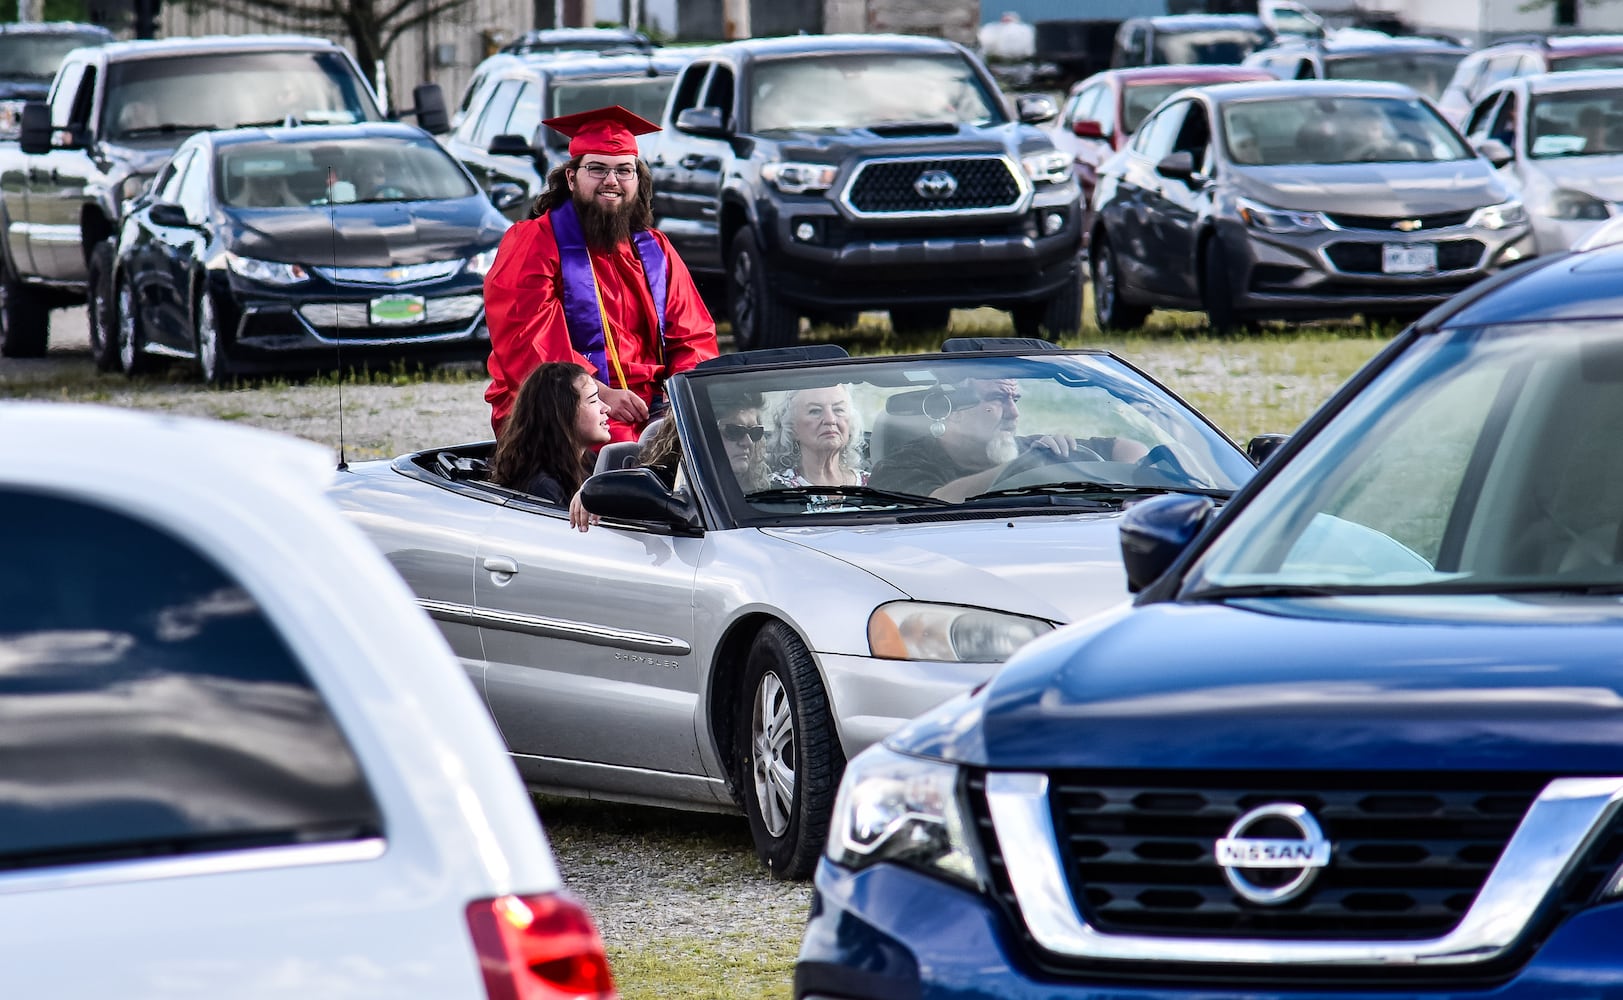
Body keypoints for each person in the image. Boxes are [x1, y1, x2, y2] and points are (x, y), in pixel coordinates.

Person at [483, 105, 719, 443]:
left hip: (654, 406)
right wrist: (599, 393)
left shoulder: (656, 249)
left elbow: (694, 338)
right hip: (567, 404)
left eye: (624, 170)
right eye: (597, 169)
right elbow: (529, 345)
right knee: (627, 462)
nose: (611, 181)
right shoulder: (535, 241)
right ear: (571, 177)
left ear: (638, 179)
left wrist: (681, 401)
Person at [869, 377, 1145, 502]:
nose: (1014, 412)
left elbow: (1127, 448)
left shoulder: (1032, 448)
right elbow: (939, 501)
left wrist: (1137, 487)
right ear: (951, 411)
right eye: (999, 399)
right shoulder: (901, 465)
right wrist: (1023, 468)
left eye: (1015, 399)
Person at [489, 361, 610, 530]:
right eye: (592, 401)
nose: (606, 408)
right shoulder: (542, 487)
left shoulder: (588, 461)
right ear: (561, 414)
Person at [765, 384, 867, 488]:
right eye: (815, 411)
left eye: (838, 410)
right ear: (792, 427)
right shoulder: (774, 488)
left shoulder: (872, 486)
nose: (830, 420)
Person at [713, 388, 769, 492]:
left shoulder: (769, 493)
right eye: (734, 431)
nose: (748, 442)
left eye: (755, 432)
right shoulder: (685, 498)